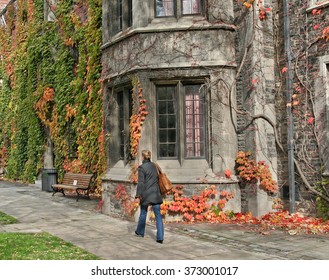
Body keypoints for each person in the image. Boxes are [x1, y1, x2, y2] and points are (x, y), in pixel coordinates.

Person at [135, 150, 164, 243]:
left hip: (146, 195)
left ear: (143, 157)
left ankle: (140, 232)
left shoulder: (142, 168)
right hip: (155, 194)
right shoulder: (154, 166)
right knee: (158, 215)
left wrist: (137, 196)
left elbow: (140, 183)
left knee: (143, 213)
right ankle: (160, 237)